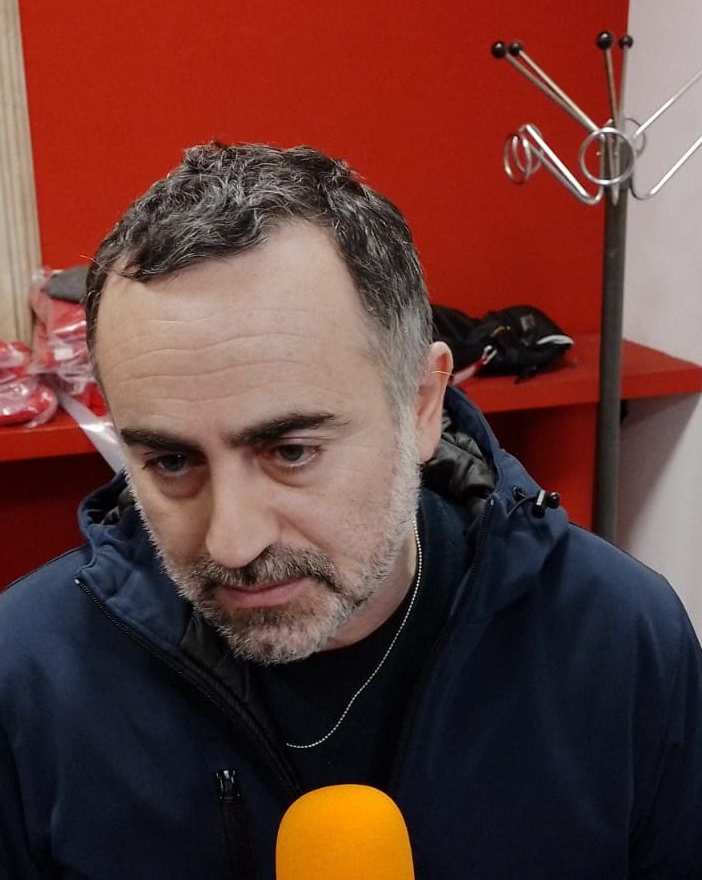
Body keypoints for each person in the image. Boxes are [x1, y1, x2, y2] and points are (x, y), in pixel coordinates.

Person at [0, 142, 700, 880]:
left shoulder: (615, 639)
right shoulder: (29, 678)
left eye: (291, 451)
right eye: (172, 462)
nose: (232, 542)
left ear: (422, 404)